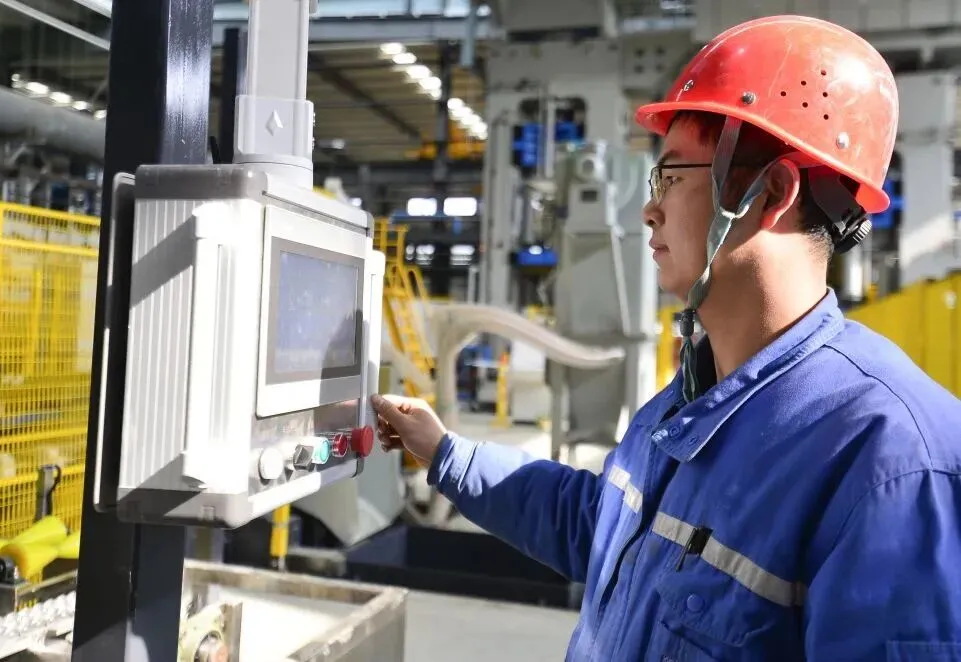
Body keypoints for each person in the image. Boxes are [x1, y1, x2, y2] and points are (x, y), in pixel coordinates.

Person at [371, 14, 961, 662]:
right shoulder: (689, 398)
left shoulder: (889, 462)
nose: (649, 209)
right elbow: (601, 528)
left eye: (671, 178)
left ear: (771, 192)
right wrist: (445, 452)